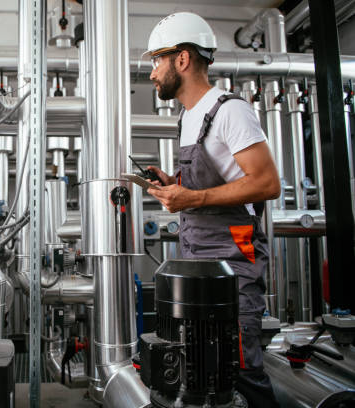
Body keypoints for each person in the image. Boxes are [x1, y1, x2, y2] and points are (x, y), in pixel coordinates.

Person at [142, 12, 281, 408]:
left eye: (157, 60)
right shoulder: (188, 116)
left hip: (233, 261)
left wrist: (194, 199)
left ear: (182, 59)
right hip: (198, 260)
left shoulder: (230, 111)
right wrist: (175, 185)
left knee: (240, 367)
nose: (153, 73)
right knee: (205, 369)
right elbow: (212, 183)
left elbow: (266, 183)